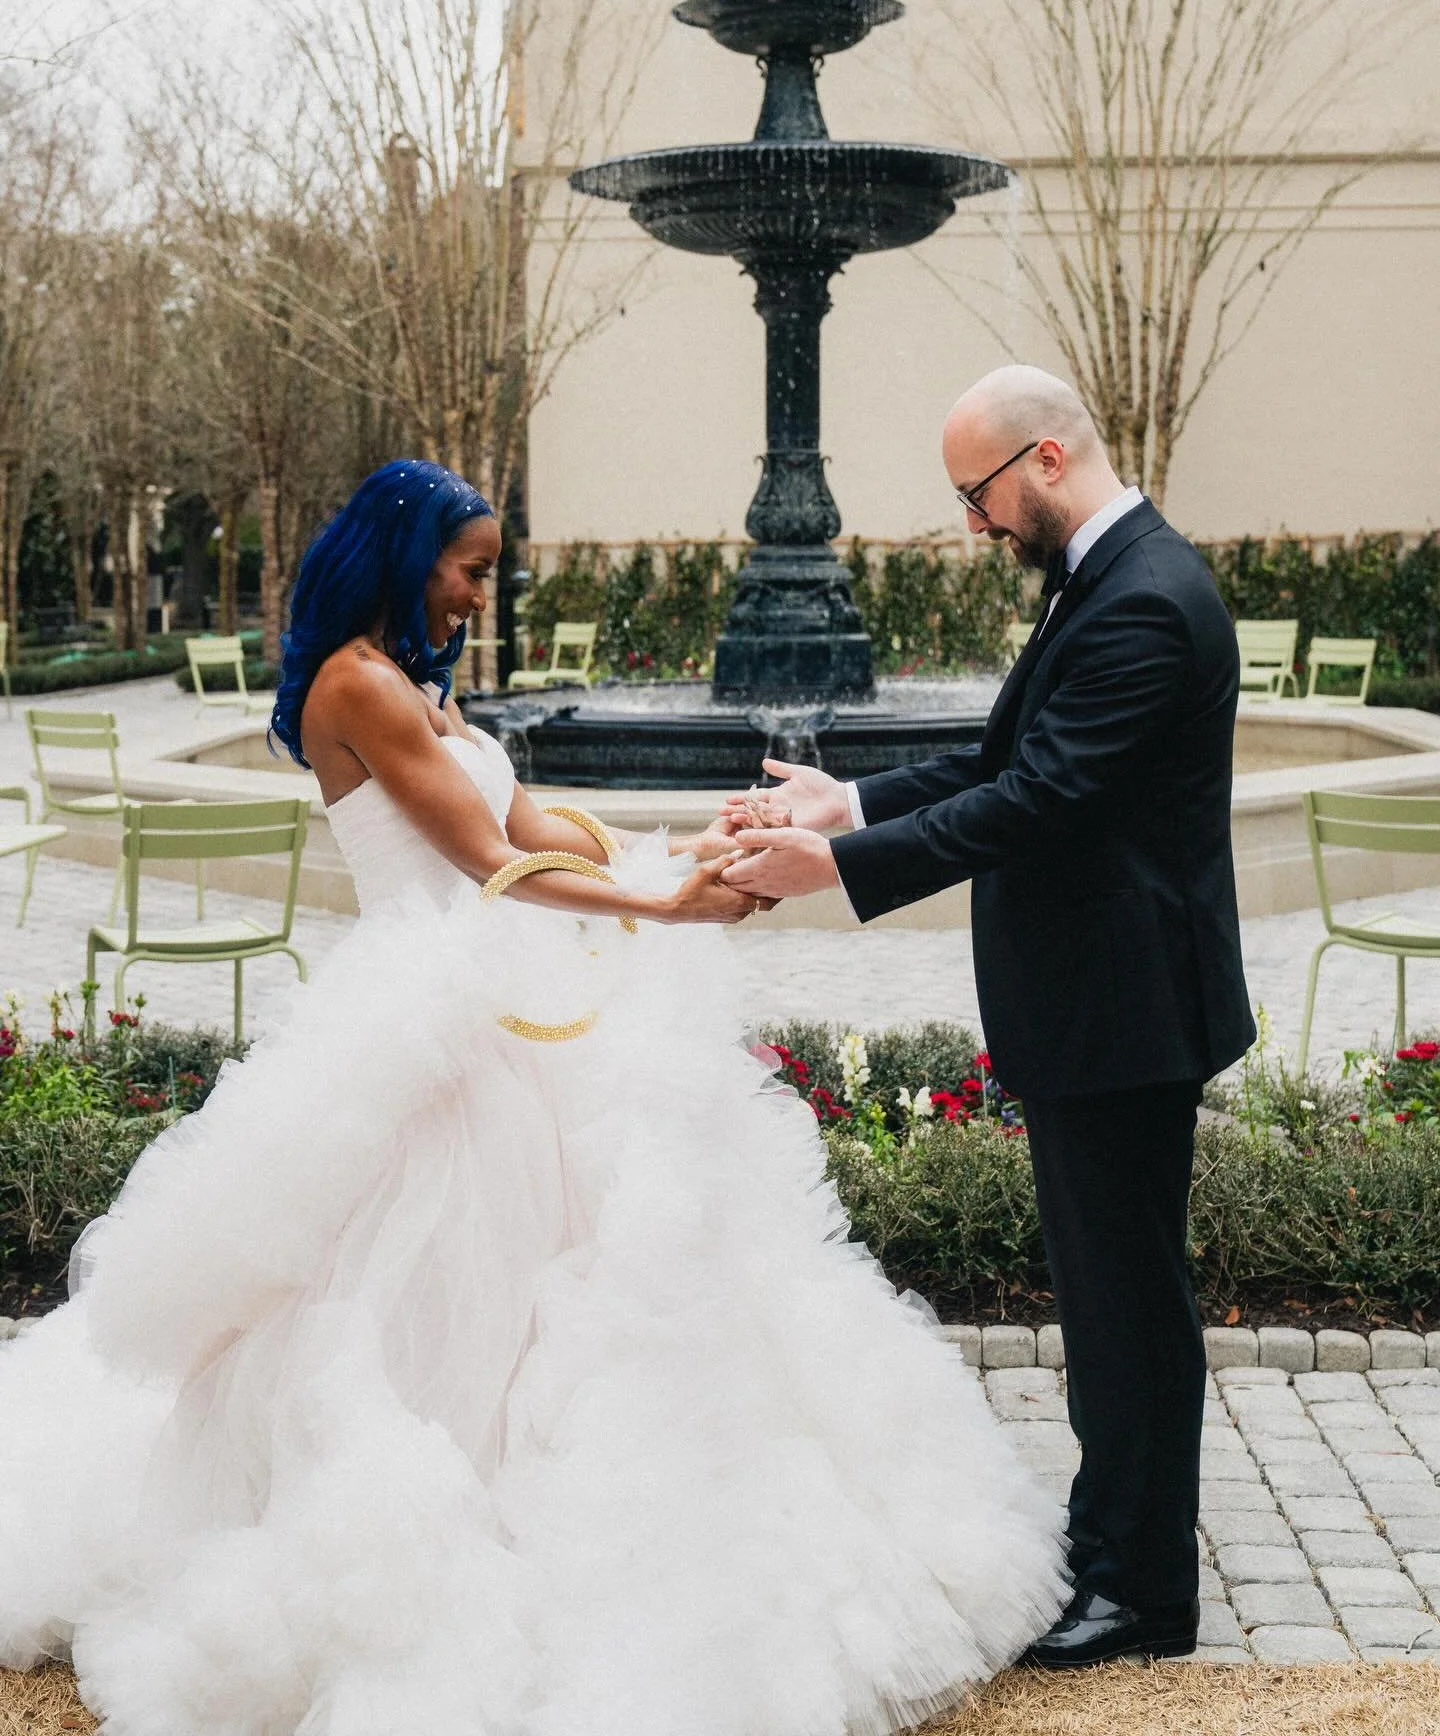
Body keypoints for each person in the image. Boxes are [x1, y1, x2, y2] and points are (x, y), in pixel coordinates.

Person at [0, 458, 1068, 1734]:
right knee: (425, 1298)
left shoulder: (421, 691)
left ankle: (548, 1510)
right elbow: (490, 863)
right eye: (471, 568)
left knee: (576, 1295)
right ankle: (452, 1552)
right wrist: (664, 904)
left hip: (513, 1025)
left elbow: (542, 824)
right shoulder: (356, 682)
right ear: (404, 555)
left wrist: (683, 850)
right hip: (436, 1043)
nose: (480, 593)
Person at [726, 366, 1256, 1668]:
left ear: (1050, 459)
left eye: (980, 493)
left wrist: (841, 874)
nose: (975, 523)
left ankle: (1142, 1595)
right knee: (1108, 1300)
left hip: (1125, 1014)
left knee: (1128, 1307)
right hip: (1102, 1006)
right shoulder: (1112, 574)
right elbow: (1004, 756)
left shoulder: (1143, 602)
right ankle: (1114, 1543)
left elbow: (1043, 800)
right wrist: (842, 804)